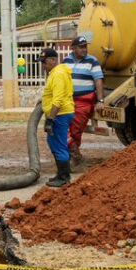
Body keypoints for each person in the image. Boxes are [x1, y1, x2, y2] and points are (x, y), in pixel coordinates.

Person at [63, 36, 105, 167]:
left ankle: (73, 156)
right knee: (63, 127)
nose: (84, 49)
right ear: (73, 48)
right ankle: (74, 154)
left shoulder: (92, 61)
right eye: (81, 47)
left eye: (85, 47)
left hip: (84, 101)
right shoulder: (66, 61)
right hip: (67, 100)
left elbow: (98, 80)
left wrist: (100, 100)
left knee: (75, 130)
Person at [41, 48, 75, 188]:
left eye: (44, 62)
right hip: (58, 114)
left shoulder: (59, 74)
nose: (43, 65)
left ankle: (64, 177)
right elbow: (52, 94)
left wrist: (50, 119)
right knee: (53, 142)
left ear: (53, 60)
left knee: (59, 145)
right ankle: (60, 173)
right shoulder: (55, 73)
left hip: (60, 115)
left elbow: (58, 99)